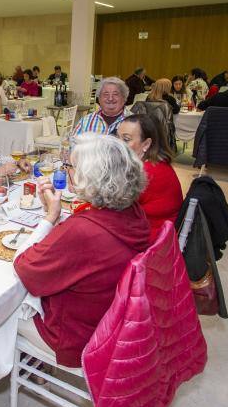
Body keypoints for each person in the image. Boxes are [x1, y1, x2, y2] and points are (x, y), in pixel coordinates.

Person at [12, 133, 150, 367]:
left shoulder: (85, 230)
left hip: (76, 338)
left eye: (71, 166)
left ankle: (28, 369)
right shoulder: (134, 212)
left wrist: (50, 217)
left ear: (90, 176)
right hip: (108, 324)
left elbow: (24, 268)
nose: (67, 171)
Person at [117, 114, 183, 240]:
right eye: (117, 137)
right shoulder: (157, 163)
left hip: (152, 240)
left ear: (146, 144)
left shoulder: (146, 172)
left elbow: (114, 206)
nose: (117, 144)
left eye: (126, 139)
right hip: (155, 231)